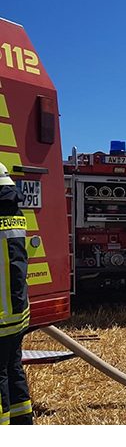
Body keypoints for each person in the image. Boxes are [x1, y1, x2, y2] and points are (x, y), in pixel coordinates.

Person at [0, 162, 33, 425]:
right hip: (17, 313)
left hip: (0, 316)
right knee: (13, 368)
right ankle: (23, 421)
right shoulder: (17, 216)